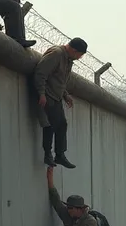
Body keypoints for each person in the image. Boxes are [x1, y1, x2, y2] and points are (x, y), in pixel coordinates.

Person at [34, 38, 88, 169]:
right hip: (47, 95)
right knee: (50, 125)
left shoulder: (68, 60)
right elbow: (40, 73)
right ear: (74, 50)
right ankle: (48, 154)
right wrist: (41, 94)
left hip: (56, 96)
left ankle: (59, 154)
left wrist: (65, 95)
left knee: (61, 124)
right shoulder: (56, 54)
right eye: (80, 55)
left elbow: (59, 80)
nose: (79, 58)